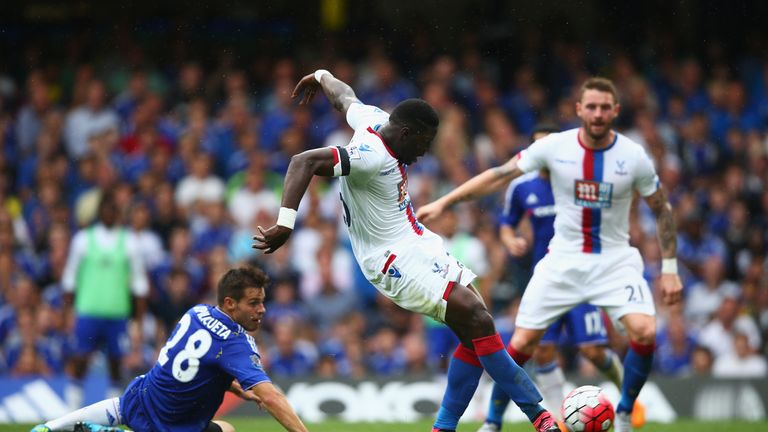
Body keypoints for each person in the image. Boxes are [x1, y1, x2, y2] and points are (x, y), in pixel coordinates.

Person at [252, 69, 560, 432]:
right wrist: (286, 223)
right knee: (477, 319)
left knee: (475, 325)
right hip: (389, 259)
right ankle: (540, 418)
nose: (425, 152)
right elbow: (302, 161)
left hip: (417, 239)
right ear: (406, 134)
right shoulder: (368, 155)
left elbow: (345, 97)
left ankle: (446, 428)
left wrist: (322, 76)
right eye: (424, 142)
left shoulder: (377, 119)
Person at [418, 77, 683, 432]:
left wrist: (669, 268)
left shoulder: (633, 157)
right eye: (591, 106)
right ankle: (493, 423)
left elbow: (661, 208)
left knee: (645, 332)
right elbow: (499, 175)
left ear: (616, 111)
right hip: (562, 261)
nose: (598, 113)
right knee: (520, 343)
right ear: (579, 110)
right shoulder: (556, 147)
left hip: (615, 260)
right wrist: (445, 201)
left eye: (605, 107)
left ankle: (623, 413)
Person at [31, 266, 308, 432]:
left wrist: (235, 388)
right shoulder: (237, 343)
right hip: (171, 425)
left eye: (262, 301)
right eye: (254, 302)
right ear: (230, 303)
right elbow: (272, 398)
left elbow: (197, 364)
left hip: (142, 396)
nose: (262, 309)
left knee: (226, 429)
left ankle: (52, 427)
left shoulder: (197, 312)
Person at [479, 124, 628, 431]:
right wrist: (509, 240)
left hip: (581, 281)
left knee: (592, 350)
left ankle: (629, 399)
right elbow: (507, 224)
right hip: (545, 281)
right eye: (536, 148)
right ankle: (551, 420)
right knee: (536, 349)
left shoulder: (580, 184)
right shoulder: (522, 188)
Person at [60, 191, 149, 409]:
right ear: (99, 212)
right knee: (81, 360)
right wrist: (68, 313)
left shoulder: (129, 242)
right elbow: (70, 278)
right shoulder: (82, 240)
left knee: (116, 365)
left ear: (118, 214)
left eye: (113, 210)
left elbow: (139, 285)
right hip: (88, 312)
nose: (109, 214)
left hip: (117, 315)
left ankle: (114, 412)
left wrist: (137, 321)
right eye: (105, 209)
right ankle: (72, 410)